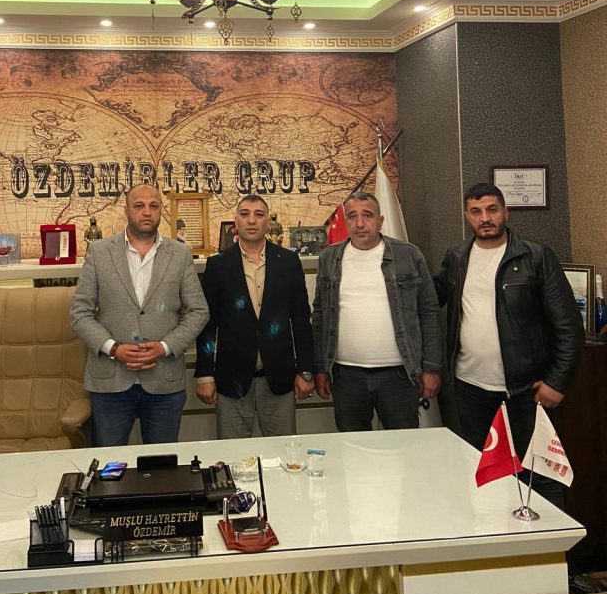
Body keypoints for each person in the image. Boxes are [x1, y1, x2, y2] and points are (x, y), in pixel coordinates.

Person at [434, 182, 584, 504]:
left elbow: (569, 326)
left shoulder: (536, 256)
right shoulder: (456, 257)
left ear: (506, 212)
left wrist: (557, 382)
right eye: (476, 211)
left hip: (527, 391)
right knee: (483, 473)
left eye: (492, 210)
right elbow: (430, 298)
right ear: (466, 216)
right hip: (470, 389)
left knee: (539, 477)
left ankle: (547, 536)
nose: (485, 218)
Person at [69, 183, 209, 446]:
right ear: (126, 211)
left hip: (164, 381)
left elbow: (198, 311)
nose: (147, 212)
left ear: (161, 211)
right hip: (110, 382)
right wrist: (113, 349)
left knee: (161, 464)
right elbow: (79, 313)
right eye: (139, 206)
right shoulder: (99, 252)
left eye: (153, 206)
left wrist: (166, 347)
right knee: (110, 466)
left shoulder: (180, 254)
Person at [312, 191, 441, 431]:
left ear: (380, 221)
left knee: (403, 445)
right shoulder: (329, 257)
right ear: (345, 221)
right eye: (352, 216)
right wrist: (320, 368)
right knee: (353, 446)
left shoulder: (408, 255)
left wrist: (431, 368)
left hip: (399, 375)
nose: (360, 223)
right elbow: (320, 315)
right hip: (346, 377)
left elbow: (428, 312)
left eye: (368, 215)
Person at [195, 194, 314, 437]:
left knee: (283, 451)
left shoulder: (288, 262)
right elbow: (208, 324)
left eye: (259, 215)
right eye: (245, 214)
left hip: (280, 378)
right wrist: (204, 375)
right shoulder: (218, 265)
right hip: (231, 380)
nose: (251, 220)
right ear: (235, 221)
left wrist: (306, 370)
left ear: (267, 221)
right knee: (233, 454)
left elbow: (301, 320)